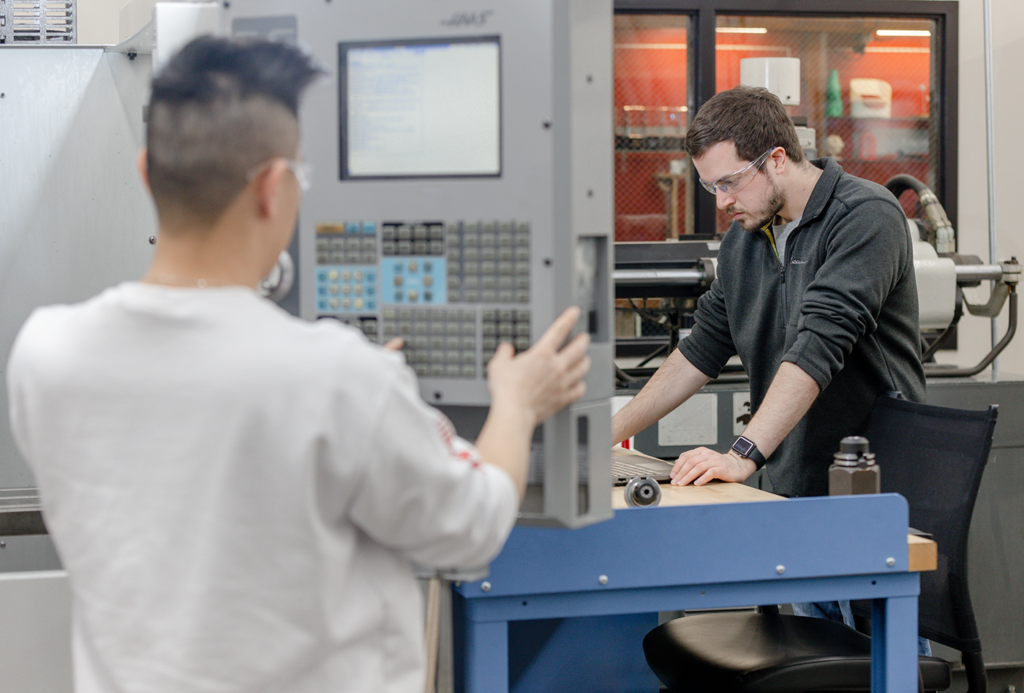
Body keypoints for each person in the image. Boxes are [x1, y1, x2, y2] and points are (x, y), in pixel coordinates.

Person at [6, 37, 591, 693]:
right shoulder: (336, 377)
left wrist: (359, 390)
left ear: (146, 172)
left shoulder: (46, 351)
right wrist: (517, 405)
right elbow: (471, 528)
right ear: (275, 188)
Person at [611, 86, 927, 632]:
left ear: (777, 159)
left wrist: (743, 453)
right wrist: (602, 437)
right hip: (794, 491)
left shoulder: (865, 216)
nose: (721, 201)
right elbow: (698, 353)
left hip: (869, 491)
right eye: (711, 186)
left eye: (729, 182)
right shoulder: (745, 241)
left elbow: (818, 345)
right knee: (820, 659)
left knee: (879, 658)